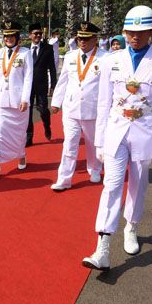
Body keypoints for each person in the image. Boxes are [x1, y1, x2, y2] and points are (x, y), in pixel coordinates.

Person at [83, 4, 152, 268]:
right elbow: (103, 103)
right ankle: (102, 246)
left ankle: (131, 226)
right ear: (123, 32)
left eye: (142, 31)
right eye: (130, 31)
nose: (135, 37)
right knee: (112, 185)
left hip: (145, 131)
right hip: (116, 130)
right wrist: (99, 140)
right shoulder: (109, 61)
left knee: (138, 184)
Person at [49, 21, 105, 191]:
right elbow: (63, 80)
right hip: (71, 108)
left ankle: (95, 169)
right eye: (80, 38)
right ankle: (64, 179)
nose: (82, 41)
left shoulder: (105, 58)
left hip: (93, 108)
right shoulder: (70, 56)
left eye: (86, 38)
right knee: (69, 144)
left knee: (92, 143)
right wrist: (56, 102)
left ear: (95, 39)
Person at [0, 20, 33, 178]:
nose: (8, 39)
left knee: (19, 132)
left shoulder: (25, 53)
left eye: (12, 36)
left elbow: (28, 78)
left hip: (18, 100)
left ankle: (21, 155)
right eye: (6, 36)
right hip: (2, 98)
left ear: (18, 37)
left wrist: (25, 99)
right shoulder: (0, 53)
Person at [25, 23, 57, 145]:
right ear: (30, 35)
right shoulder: (24, 49)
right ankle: (29, 136)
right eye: (35, 33)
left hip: (41, 84)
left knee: (43, 110)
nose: (38, 35)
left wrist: (53, 85)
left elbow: (52, 68)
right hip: (27, 86)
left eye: (39, 33)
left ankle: (47, 125)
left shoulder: (47, 48)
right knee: (27, 111)